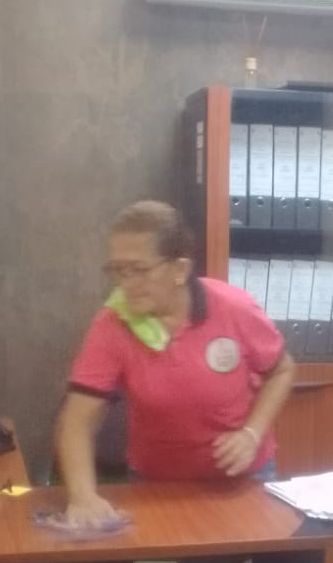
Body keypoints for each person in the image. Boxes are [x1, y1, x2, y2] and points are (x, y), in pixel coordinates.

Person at [56, 200, 295, 526]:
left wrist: (251, 434)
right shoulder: (113, 323)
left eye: (139, 270)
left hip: (243, 481)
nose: (126, 284)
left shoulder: (233, 308)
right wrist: (83, 497)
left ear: (180, 270)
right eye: (118, 271)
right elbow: (77, 420)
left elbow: (281, 370)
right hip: (156, 486)